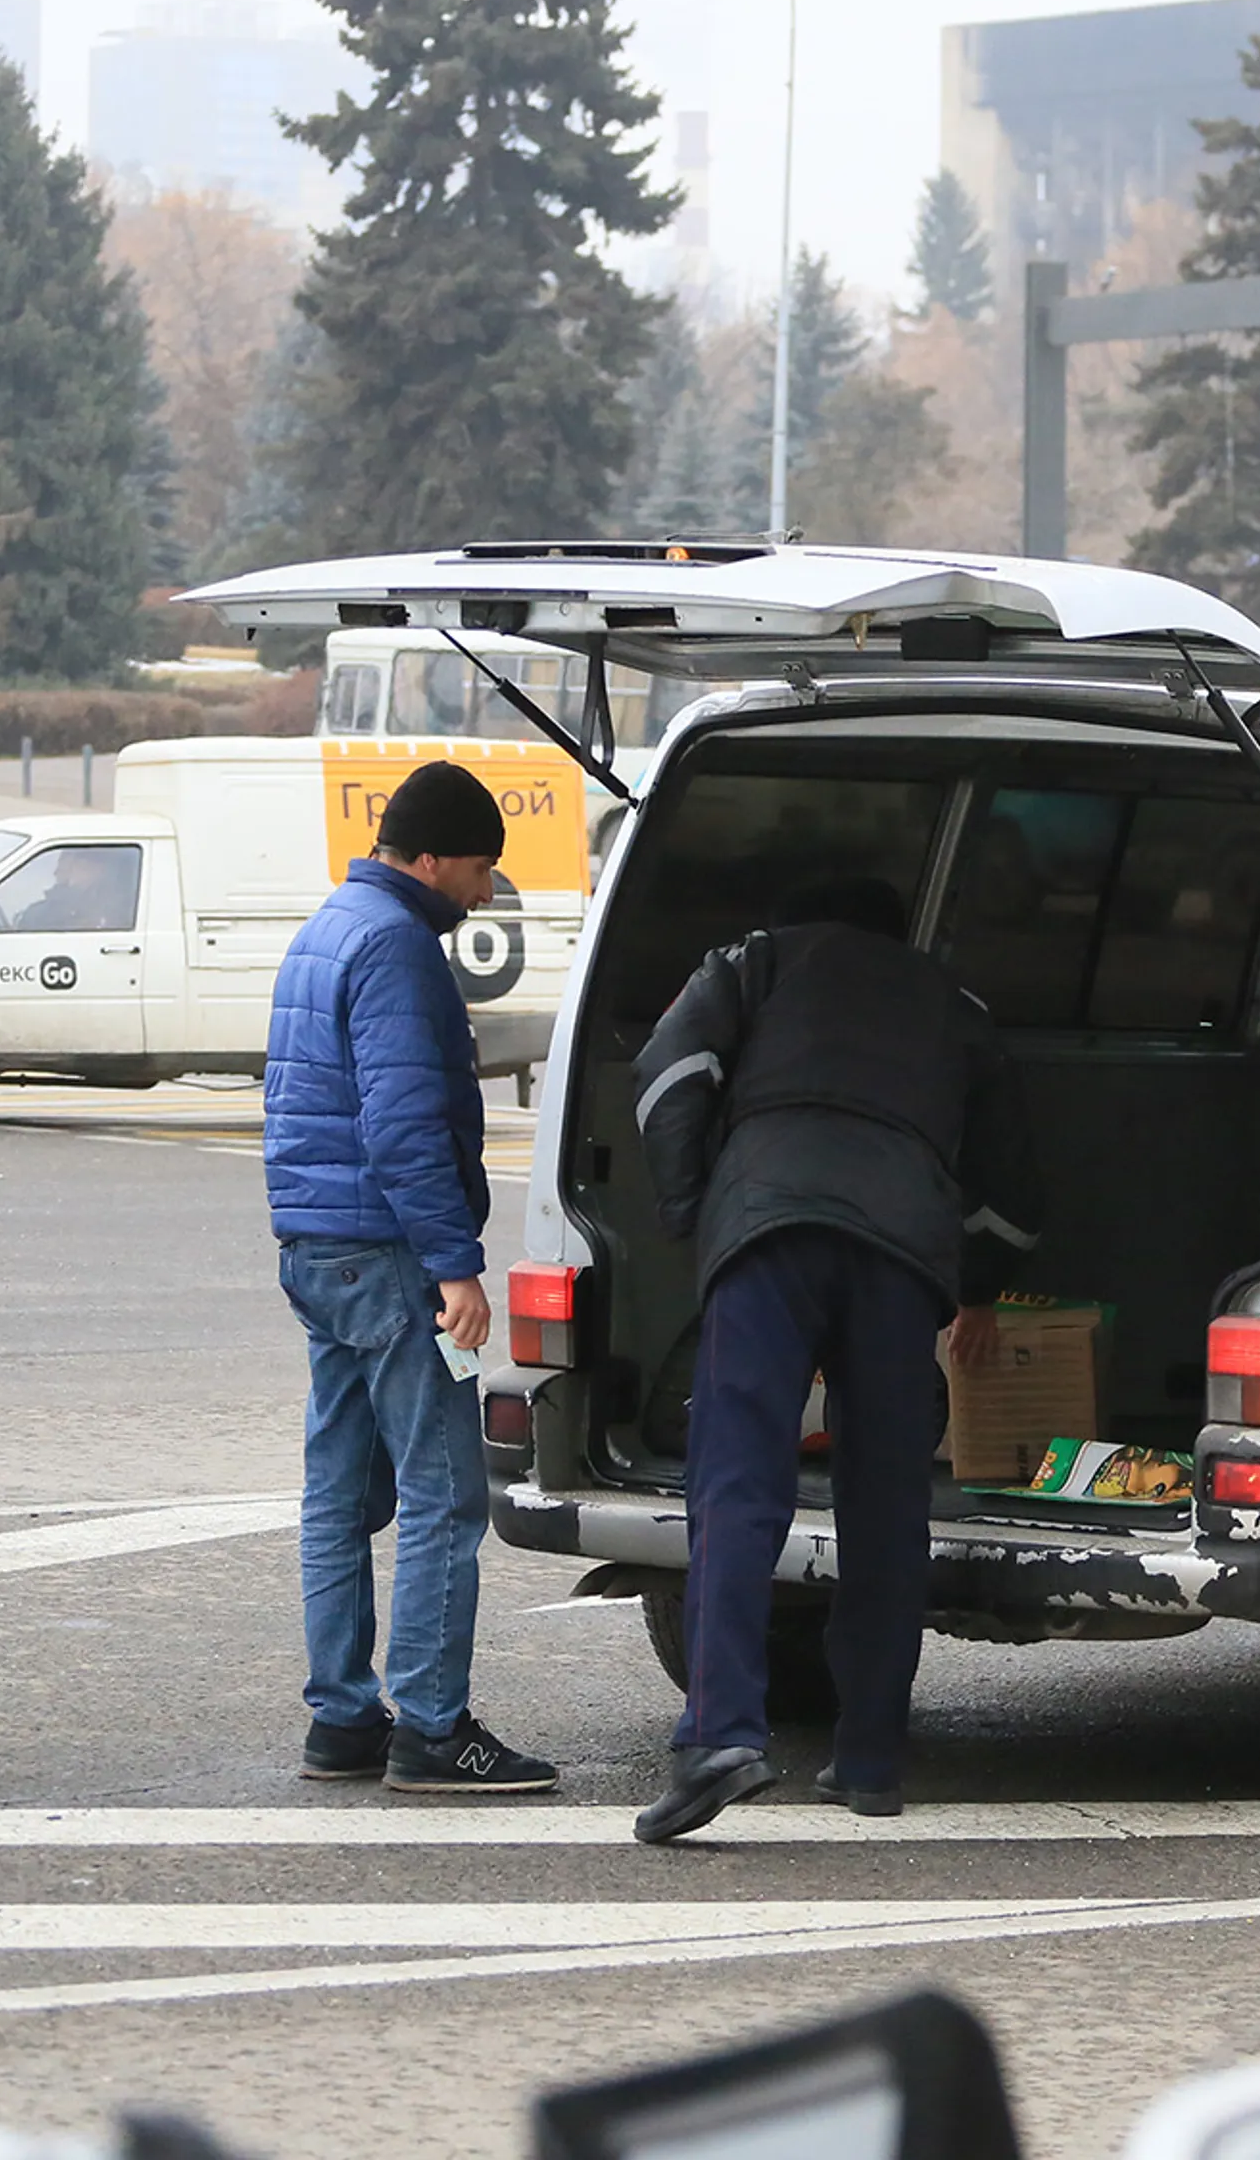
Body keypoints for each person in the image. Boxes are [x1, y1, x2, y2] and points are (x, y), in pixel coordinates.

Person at [628, 873, 1043, 1843]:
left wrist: (692, 1209)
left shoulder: (755, 961)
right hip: (901, 1256)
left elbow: (666, 1072)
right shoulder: (954, 1003)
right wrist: (977, 1279)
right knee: (886, 1500)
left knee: (738, 1484)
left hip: (768, 1236)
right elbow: (1017, 1176)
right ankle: (869, 1758)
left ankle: (721, 1735)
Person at [262, 760, 559, 1796]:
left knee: (338, 1492)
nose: (484, 891)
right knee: (442, 1494)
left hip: (316, 1246)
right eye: (479, 868)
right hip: (389, 1254)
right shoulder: (395, 946)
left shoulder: (328, 927)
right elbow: (400, 1124)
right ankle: (433, 1726)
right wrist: (454, 1266)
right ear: (430, 857)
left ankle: (342, 1719)